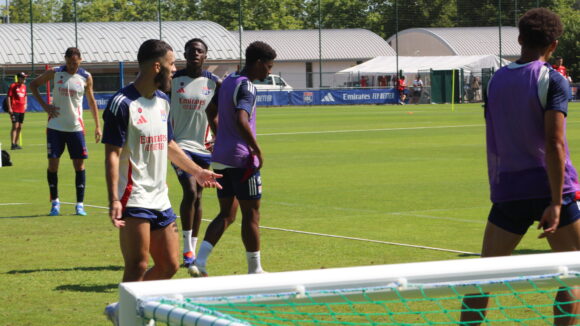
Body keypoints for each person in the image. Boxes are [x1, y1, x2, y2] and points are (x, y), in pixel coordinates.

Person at [460, 8, 580, 326]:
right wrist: (555, 202)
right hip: (551, 187)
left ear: (519, 39)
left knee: (482, 278)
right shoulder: (553, 80)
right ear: (553, 45)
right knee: (574, 276)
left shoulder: (496, 81)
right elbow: (555, 143)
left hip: (509, 188)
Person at [102, 40, 222, 322]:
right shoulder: (122, 104)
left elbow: (169, 145)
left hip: (161, 198)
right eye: (170, 65)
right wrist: (113, 199)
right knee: (137, 265)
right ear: (157, 67)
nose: (174, 70)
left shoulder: (164, 101)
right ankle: (129, 317)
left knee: (169, 265)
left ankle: (122, 310)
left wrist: (197, 171)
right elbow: (112, 157)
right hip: (133, 198)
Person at [190, 41, 276, 277]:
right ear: (257, 63)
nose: (269, 72)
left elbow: (210, 110)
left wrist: (221, 136)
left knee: (226, 213)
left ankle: (200, 261)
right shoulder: (247, 87)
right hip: (242, 160)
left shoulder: (228, 80)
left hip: (221, 157)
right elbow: (241, 119)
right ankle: (255, 269)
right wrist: (256, 149)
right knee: (251, 213)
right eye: (268, 67)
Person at [169, 38, 221, 272]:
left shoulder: (213, 83)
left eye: (199, 51)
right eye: (191, 51)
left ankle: (192, 246)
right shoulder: (173, 80)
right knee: (190, 190)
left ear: (205, 56)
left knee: (199, 196)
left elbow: (215, 115)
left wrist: (220, 139)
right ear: (185, 54)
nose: (195, 54)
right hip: (180, 147)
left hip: (204, 149)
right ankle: (187, 250)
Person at [30, 47, 102, 216]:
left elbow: (91, 102)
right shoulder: (55, 72)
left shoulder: (85, 77)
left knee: (79, 166)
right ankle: (55, 203)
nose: (72, 66)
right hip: (55, 127)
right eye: (69, 63)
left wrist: (98, 126)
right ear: (65, 60)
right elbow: (33, 85)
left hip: (76, 128)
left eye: (75, 63)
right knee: (53, 165)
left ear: (80, 61)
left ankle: (80, 205)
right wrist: (45, 106)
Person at [7, 72, 28, 150]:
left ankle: (16, 143)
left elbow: (25, 95)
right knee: (15, 126)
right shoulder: (13, 86)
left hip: (22, 109)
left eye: (24, 77)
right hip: (15, 109)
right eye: (23, 77)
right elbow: (9, 97)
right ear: (19, 78)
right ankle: (12, 144)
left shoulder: (24, 86)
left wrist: (26, 103)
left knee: (20, 127)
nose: (24, 79)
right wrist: (9, 108)